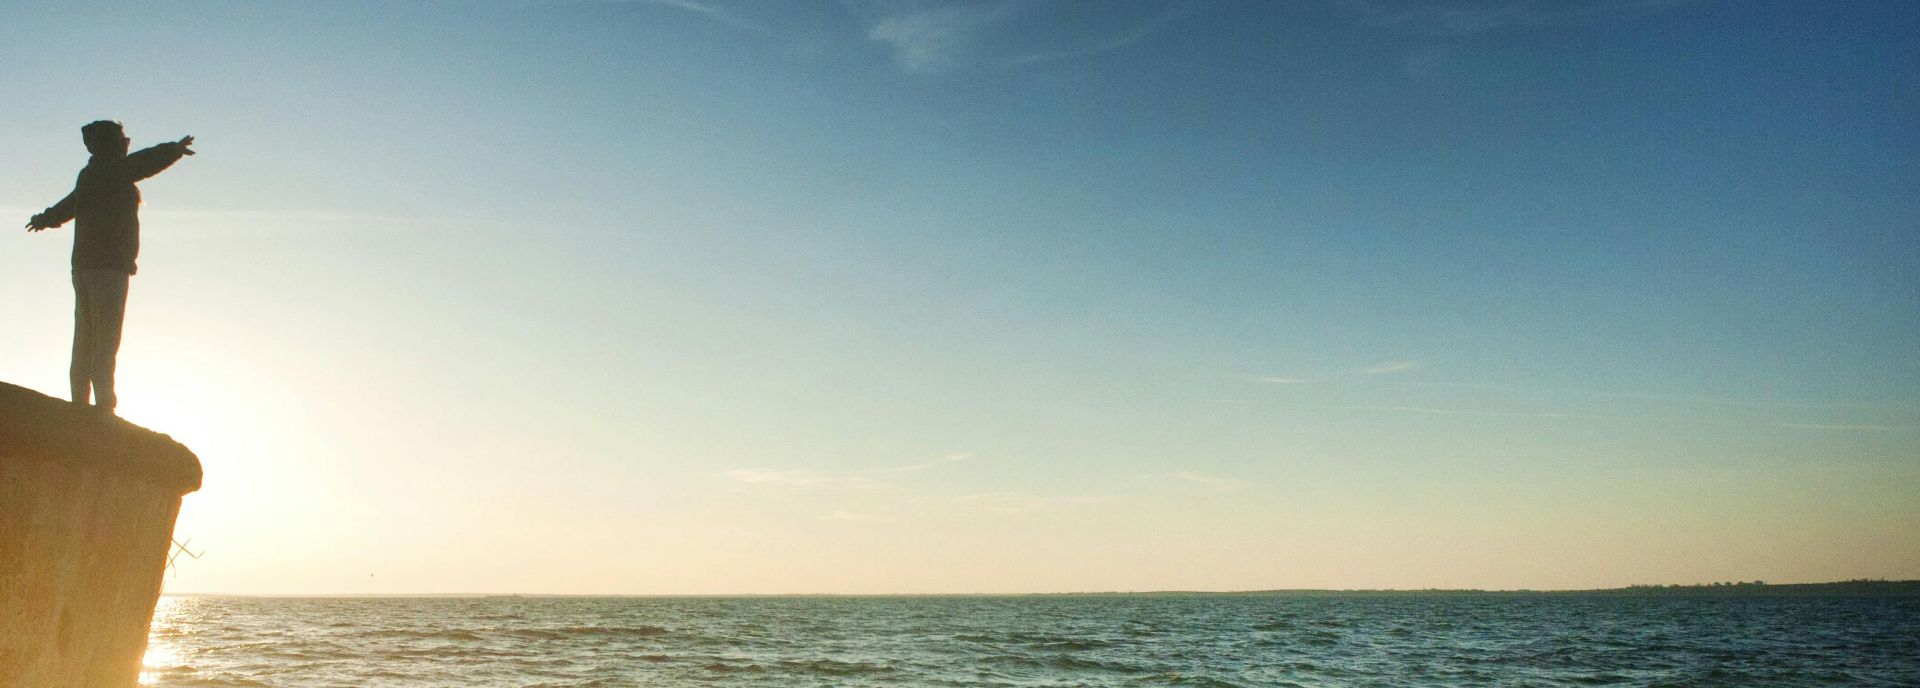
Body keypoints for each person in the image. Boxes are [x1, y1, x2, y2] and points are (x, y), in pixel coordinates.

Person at [25, 120, 195, 414]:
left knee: (86, 334)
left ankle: (80, 400)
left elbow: (69, 205)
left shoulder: (90, 174)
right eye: (122, 139)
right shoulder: (110, 171)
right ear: (108, 144)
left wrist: (45, 218)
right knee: (105, 334)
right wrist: (173, 150)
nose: (126, 143)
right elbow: (142, 163)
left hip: (86, 266)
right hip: (107, 267)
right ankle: (103, 404)